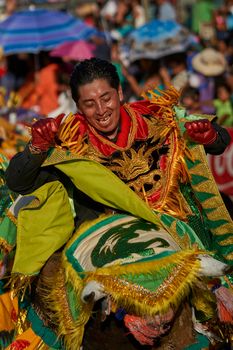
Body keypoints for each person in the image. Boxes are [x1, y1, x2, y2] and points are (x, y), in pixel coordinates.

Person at [2, 58, 233, 349]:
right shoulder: (70, 140)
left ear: (120, 93)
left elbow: (219, 139)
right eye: (89, 103)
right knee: (55, 292)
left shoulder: (156, 118)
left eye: (105, 98)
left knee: (216, 291)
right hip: (106, 240)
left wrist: (209, 136)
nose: (101, 111)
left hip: (172, 227)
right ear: (77, 106)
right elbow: (18, 180)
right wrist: (37, 147)